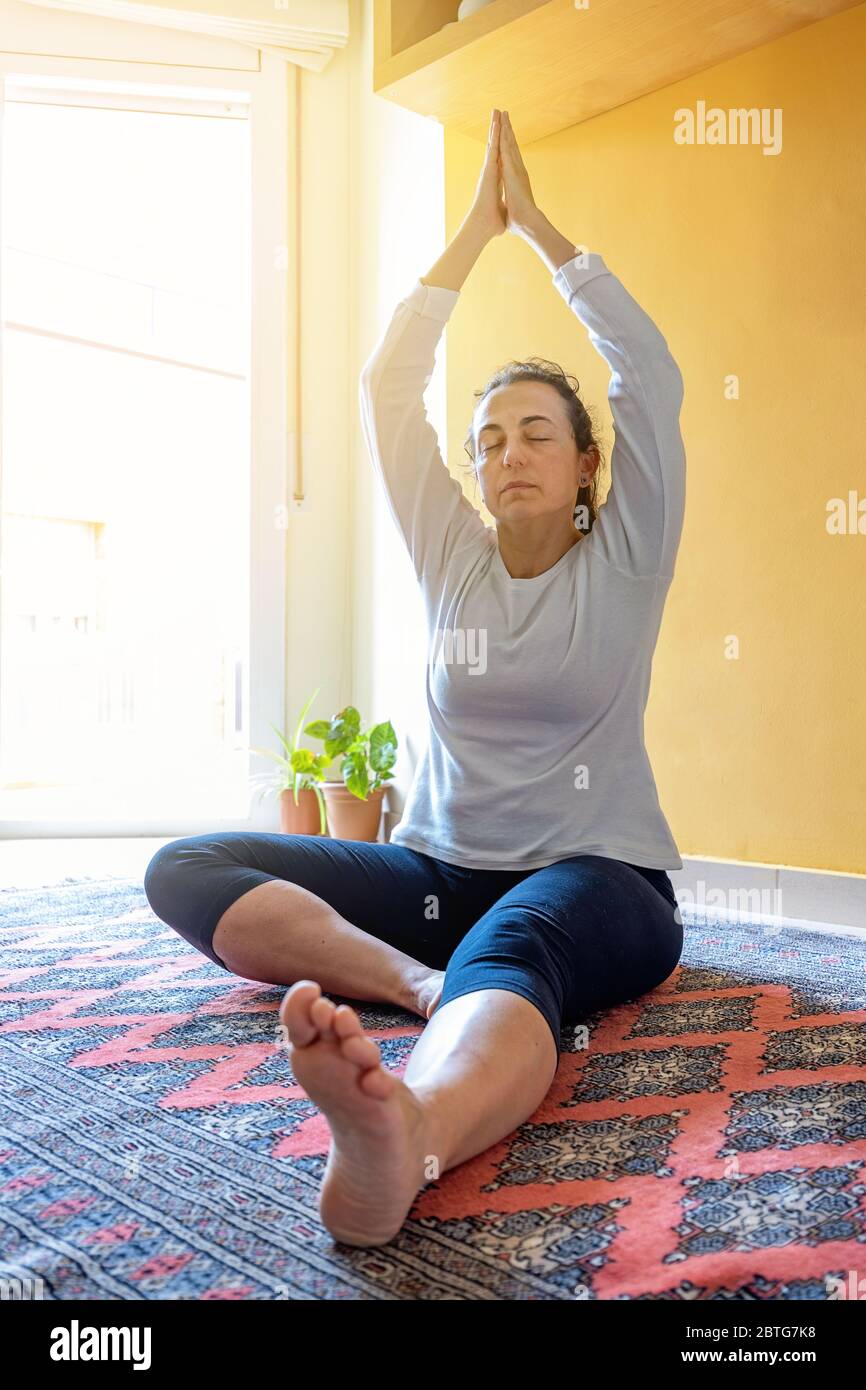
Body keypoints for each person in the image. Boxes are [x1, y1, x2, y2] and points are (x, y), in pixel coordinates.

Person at [143, 109, 686, 1250]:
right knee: (187, 865)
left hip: (598, 878)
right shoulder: (452, 553)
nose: (505, 455)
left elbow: (649, 372)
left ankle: (407, 1135)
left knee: (510, 947)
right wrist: (462, 239)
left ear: (588, 465)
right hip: (440, 875)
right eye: (487, 440)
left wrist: (534, 229)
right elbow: (389, 387)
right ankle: (412, 981)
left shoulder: (625, 553)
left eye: (535, 434)